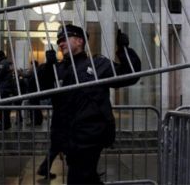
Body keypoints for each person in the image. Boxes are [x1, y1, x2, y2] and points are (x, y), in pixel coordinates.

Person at [31, 24, 141, 184]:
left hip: (89, 136)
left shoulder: (97, 64)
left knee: (78, 178)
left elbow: (129, 75)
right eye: (59, 41)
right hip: (68, 137)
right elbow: (36, 88)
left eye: (64, 39)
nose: (60, 44)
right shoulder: (59, 68)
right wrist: (48, 67)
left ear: (79, 41)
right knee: (87, 178)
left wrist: (124, 50)